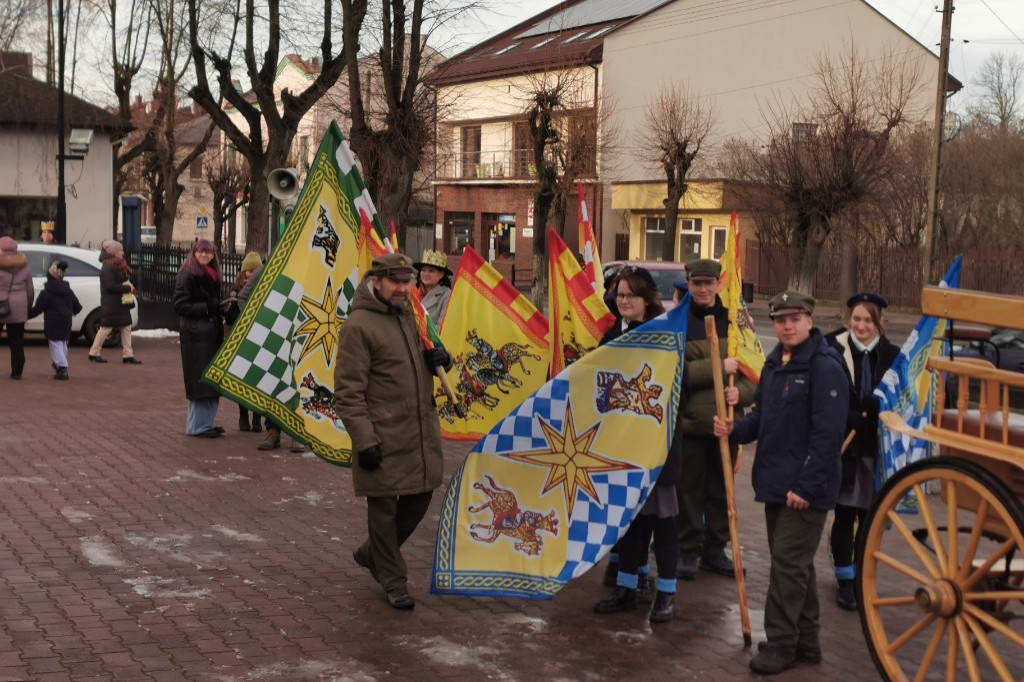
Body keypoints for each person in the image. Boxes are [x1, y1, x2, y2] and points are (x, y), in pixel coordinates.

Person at [713, 290, 847, 675]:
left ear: (809, 320)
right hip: (776, 482)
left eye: (795, 319)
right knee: (796, 566)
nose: (787, 326)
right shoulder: (776, 363)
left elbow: (828, 435)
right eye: (780, 320)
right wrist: (734, 429)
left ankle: (781, 644)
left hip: (805, 489)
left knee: (787, 566)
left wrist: (806, 487)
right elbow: (763, 416)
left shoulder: (824, 367)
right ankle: (807, 642)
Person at [334, 252, 452, 610]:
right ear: (378, 281)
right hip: (382, 436)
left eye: (407, 282)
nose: (403, 288)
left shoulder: (411, 316)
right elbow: (348, 392)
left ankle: (374, 553)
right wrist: (365, 441)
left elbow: (419, 363)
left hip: (418, 433)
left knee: (421, 496)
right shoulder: (358, 326)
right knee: (383, 511)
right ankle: (393, 580)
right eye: (396, 282)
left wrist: (440, 359)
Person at [593, 265, 679, 623]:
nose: (624, 301)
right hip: (621, 447)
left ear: (647, 300)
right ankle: (627, 588)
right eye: (620, 295)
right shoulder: (610, 336)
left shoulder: (665, 335)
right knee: (626, 520)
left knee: (663, 520)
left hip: (658, 446)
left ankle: (667, 593)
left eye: (631, 295)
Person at [674, 260, 756, 580]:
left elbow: (753, 372)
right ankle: (687, 551)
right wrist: (718, 367)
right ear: (689, 284)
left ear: (719, 284)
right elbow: (675, 373)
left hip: (728, 424)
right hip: (692, 424)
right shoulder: (678, 322)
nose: (704, 290)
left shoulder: (736, 323)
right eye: (697, 284)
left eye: (709, 283)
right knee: (689, 490)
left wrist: (743, 395)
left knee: (722, 492)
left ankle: (714, 550)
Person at [825, 292, 899, 612]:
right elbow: (825, 392)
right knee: (843, 512)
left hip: (876, 447)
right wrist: (847, 414)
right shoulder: (833, 348)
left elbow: (903, 395)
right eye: (856, 319)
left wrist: (882, 409)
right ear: (848, 319)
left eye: (868, 320)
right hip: (845, 444)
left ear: (879, 322)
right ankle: (844, 580)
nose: (861, 326)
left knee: (869, 516)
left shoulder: (893, 355)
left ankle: (861, 577)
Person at [173, 240, 224, 438]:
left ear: (213, 255)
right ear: (194, 253)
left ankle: (203, 423)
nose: (204, 255)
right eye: (201, 252)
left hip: (207, 334)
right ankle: (198, 426)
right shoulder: (188, 273)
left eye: (208, 252)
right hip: (196, 335)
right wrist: (209, 307)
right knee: (201, 381)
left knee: (207, 381)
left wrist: (218, 306)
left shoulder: (211, 274)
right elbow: (180, 305)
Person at [227, 251, 263, 433]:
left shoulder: (264, 285)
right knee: (242, 380)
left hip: (259, 339)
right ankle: (243, 416)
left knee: (257, 380)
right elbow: (230, 316)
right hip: (241, 339)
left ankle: (257, 418)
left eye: (254, 270)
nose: (251, 274)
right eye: (249, 271)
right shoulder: (237, 289)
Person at [88, 240, 141, 364]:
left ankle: (128, 354)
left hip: (119, 303)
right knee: (106, 328)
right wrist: (128, 288)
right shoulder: (108, 268)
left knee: (126, 327)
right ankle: (94, 352)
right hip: (112, 304)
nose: (122, 252)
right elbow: (110, 286)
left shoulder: (116, 266)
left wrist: (127, 274)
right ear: (114, 253)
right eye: (120, 251)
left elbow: (119, 281)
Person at [28, 260, 82, 380]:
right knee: (63, 343)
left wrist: (24, 315)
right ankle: (59, 364)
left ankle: (62, 368)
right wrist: (71, 311)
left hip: (52, 322)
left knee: (55, 344)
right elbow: (78, 307)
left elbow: (37, 309)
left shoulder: (46, 293)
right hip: (66, 320)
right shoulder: (68, 291)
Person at [0, 236, 34, 380]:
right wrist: (28, 306)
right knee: (17, 341)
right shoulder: (25, 267)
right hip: (19, 306)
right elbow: (30, 291)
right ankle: (17, 371)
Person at [413, 249, 452, 323]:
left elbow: (441, 328)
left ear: (441, 274)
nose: (426, 274)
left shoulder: (446, 295)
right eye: (423, 270)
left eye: (431, 271)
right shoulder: (413, 292)